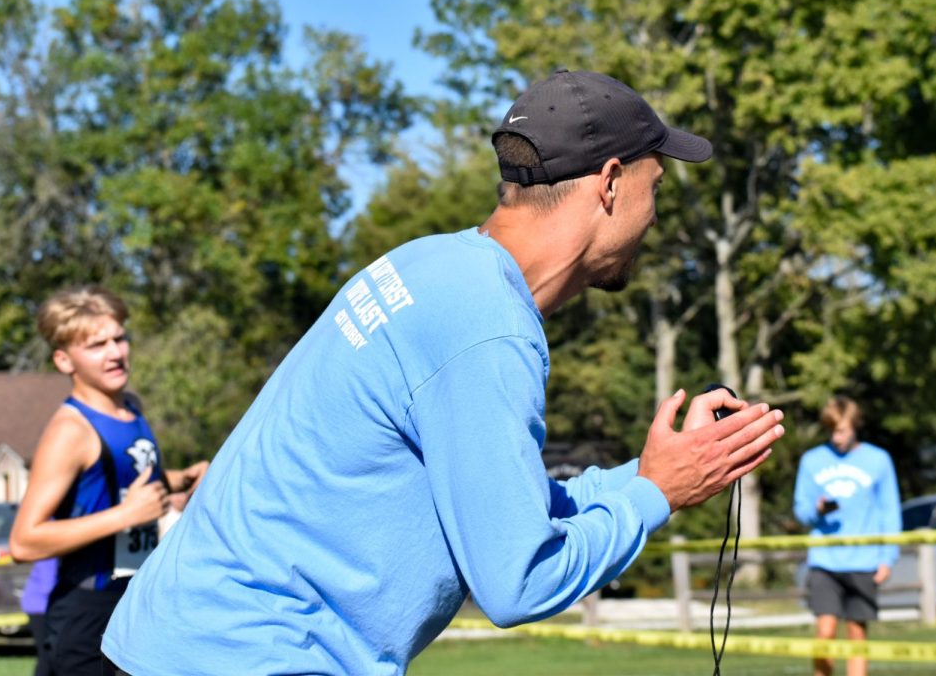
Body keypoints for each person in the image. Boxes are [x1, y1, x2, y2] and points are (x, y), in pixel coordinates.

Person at [100, 68, 788, 676]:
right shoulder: (487, 327)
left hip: (174, 642)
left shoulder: (433, 267)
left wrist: (651, 472)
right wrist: (655, 497)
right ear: (610, 183)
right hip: (249, 657)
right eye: (654, 187)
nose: (654, 214)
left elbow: (500, 507)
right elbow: (520, 582)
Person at [7, 286, 209, 676]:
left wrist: (181, 479)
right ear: (64, 360)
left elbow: (121, 478)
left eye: (119, 338)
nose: (116, 353)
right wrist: (125, 516)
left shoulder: (130, 408)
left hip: (136, 602)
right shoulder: (71, 429)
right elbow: (24, 540)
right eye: (97, 345)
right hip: (88, 614)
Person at [793, 396, 900, 676]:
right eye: (831, 431)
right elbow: (800, 510)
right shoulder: (812, 460)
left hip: (864, 560)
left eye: (841, 430)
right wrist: (816, 509)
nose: (836, 437)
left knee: (856, 634)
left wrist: (888, 557)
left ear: (855, 425)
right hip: (825, 559)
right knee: (825, 631)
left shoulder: (879, 460)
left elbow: (890, 512)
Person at [20, 557, 56, 676]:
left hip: (42, 606)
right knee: (46, 655)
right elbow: (48, 584)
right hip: (39, 608)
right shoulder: (50, 555)